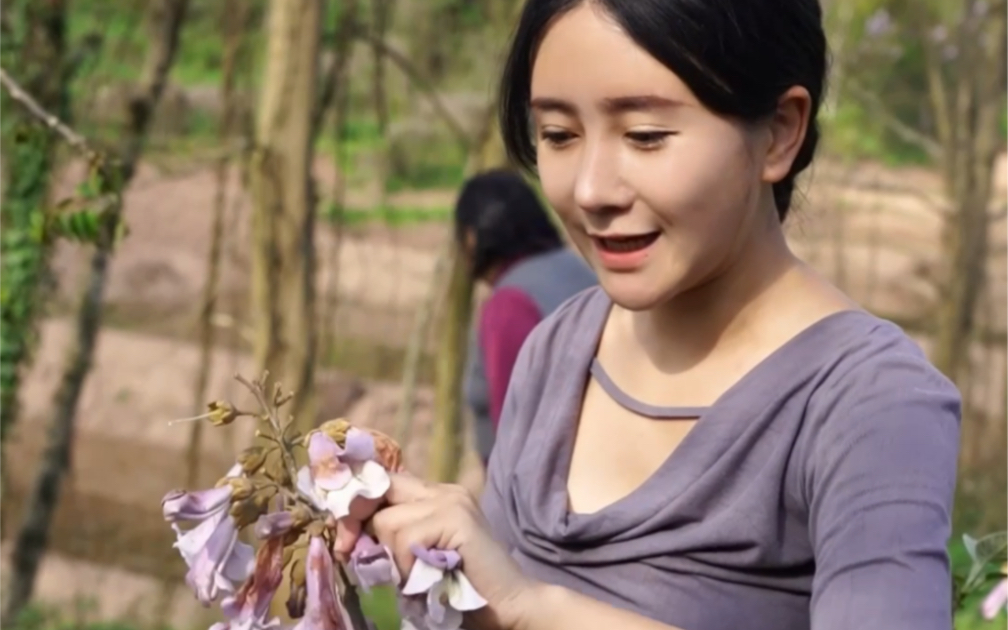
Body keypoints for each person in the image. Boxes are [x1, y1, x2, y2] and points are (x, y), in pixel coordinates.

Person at [370, 1, 962, 629]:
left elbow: (525, 606)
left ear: (779, 132)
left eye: (645, 135)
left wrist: (530, 608)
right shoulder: (556, 351)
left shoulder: (866, 403)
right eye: (560, 135)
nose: (593, 189)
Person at [455, 169, 597, 467]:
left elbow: (515, 430)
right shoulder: (582, 271)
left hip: (541, 497)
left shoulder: (510, 305)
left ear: (471, 238)